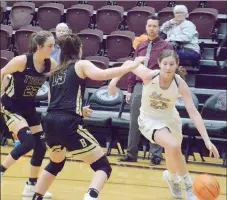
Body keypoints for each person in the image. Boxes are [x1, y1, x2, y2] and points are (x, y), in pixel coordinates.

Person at [31, 34, 147, 200]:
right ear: (78, 49)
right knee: (103, 167)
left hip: (49, 121)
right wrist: (132, 65)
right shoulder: (81, 64)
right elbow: (104, 74)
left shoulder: (54, 71)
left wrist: (79, 109)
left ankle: (36, 196)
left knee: (56, 163)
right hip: (68, 123)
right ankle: (91, 196)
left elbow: (53, 102)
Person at [108, 49, 220, 200]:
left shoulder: (180, 83)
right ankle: (189, 189)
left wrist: (206, 139)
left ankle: (172, 177)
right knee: (173, 146)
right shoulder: (149, 76)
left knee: (174, 152)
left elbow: (193, 112)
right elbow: (129, 63)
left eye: (171, 64)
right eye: (165, 64)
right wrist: (113, 82)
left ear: (177, 65)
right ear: (159, 64)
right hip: (149, 119)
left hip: (170, 119)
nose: (168, 67)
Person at [0, 30, 58, 198]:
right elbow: (2, 72)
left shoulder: (50, 64)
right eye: (50, 46)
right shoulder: (22, 61)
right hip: (11, 105)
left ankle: (31, 186)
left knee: (40, 145)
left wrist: (52, 102)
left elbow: (56, 82)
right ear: (39, 47)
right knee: (28, 141)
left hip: (29, 107)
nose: (53, 49)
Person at [121, 15, 173, 165]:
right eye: (149, 26)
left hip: (157, 86)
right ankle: (131, 154)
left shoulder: (166, 46)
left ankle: (156, 155)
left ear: (159, 28)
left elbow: (169, 68)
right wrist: (129, 89)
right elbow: (133, 69)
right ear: (146, 27)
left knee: (156, 120)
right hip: (139, 86)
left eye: (155, 26)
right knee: (134, 120)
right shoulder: (140, 46)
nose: (152, 29)